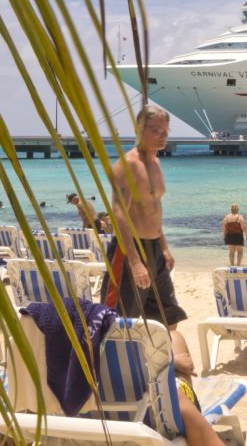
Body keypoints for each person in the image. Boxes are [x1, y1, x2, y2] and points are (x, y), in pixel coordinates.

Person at [101, 104, 187, 330]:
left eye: (166, 131)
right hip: (130, 251)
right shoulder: (128, 165)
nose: (162, 136)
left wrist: (164, 247)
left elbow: (153, 210)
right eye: (156, 130)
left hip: (155, 250)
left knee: (168, 319)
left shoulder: (156, 162)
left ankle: (157, 363)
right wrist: (134, 261)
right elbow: (119, 214)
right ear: (140, 129)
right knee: (118, 321)